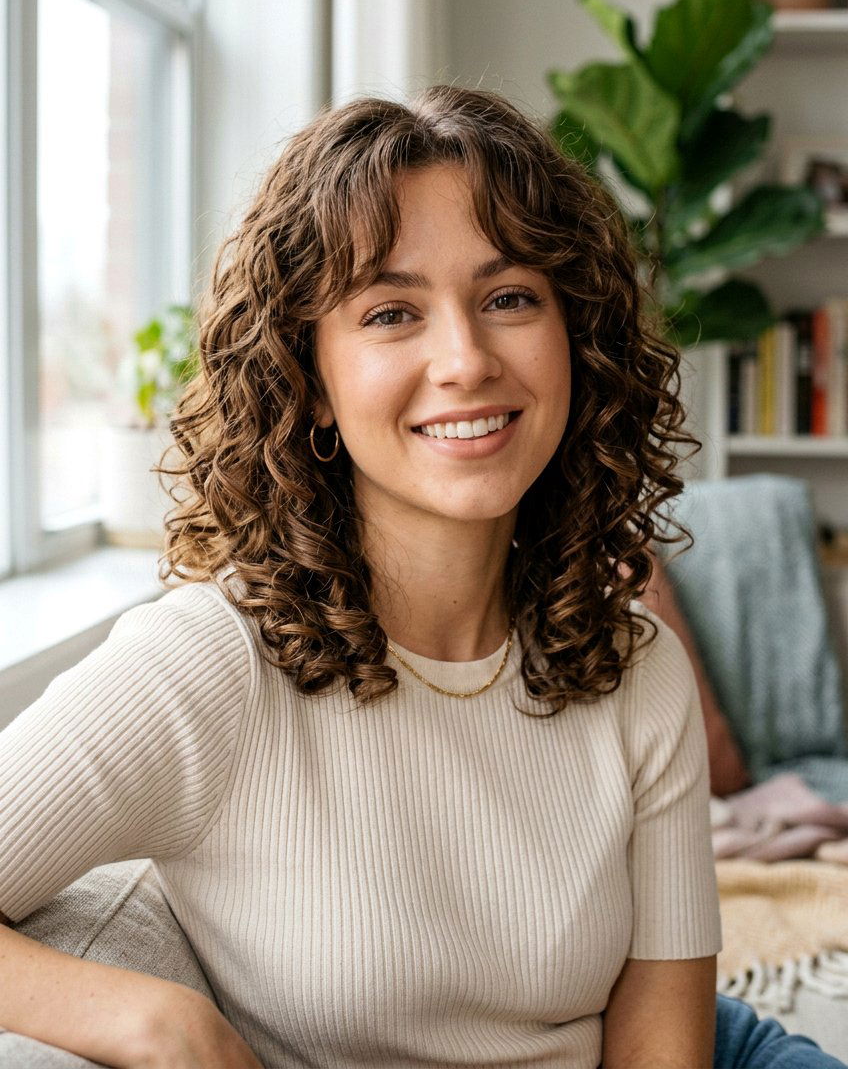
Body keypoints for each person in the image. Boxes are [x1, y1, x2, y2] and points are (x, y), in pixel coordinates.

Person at [0, 85, 844, 1069]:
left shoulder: (632, 664)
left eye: (508, 298)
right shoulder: (206, 662)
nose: (464, 359)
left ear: (574, 338)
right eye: (392, 311)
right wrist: (152, 1021)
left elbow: (662, 1045)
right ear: (307, 379)